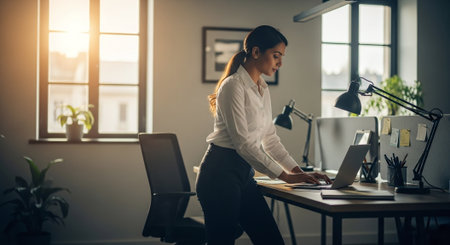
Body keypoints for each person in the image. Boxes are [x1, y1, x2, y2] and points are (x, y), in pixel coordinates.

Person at [195, 25, 331, 245]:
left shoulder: (262, 88)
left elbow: (270, 139)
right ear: (256, 52)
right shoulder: (233, 86)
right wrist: (285, 177)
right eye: (276, 56)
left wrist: (298, 172)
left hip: (244, 174)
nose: (280, 63)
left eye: (281, 57)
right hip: (220, 174)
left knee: (270, 240)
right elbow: (244, 144)